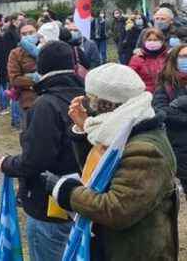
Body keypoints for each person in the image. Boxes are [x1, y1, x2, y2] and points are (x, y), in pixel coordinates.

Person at [49, 63, 178, 260]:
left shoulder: (144, 150)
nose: (87, 105)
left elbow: (116, 210)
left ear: (107, 105)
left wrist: (66, 191)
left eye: (90, 100)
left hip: (134, 251)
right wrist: (84, 129)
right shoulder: (122, 130)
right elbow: (99, 174)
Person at [0, 41, 85, 261]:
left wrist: (7, 164)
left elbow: (35, 160)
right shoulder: (85, 97)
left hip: (49, 202)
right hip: (81, 195)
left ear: (41, 67)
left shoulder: (45, 105)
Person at [152, 43, 187, 201]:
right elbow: (161, 110)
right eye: (183, 57)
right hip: (179, 146)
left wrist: (181, 103)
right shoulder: (166, 84)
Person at [8, 21, 39, 129]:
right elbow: (15, 79)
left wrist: (28, 75)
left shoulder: (47, 48)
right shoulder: (16, 53)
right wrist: (36, 79)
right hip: (29, 100)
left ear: (37, 32)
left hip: (50, 98)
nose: (28, 36)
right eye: (24, 34)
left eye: (31, 32)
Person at [128, 28, 168, 93]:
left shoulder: (169, 57)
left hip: (165, 95)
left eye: (155, 40)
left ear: (162, 41)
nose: (152, 42)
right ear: (144, 41)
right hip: (144, 94)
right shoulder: (137, 58)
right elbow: (130, 78)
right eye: (149, 40)